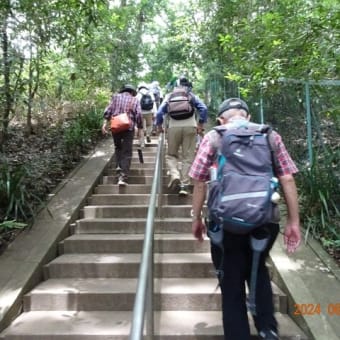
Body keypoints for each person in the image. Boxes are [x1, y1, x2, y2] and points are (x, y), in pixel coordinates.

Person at [189, 98, 301, 340]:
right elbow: (288, 178)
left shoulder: (214, 137)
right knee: (258, 269)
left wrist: (196, 218)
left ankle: (237, 334)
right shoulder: (270, 136)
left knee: (230, 279)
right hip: (264, 219)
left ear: (221, 119)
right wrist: (294, 222)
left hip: (224, 222)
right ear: (248, 116)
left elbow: (199, 181)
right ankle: (267, 330)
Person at [156, 76, 208, 196]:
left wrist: (159, 126)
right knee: (187, 157)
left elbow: (159, 113)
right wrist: (200, 124)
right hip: (190, 126)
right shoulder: (191, 95)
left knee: (171, 155)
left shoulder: (170, 96)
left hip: (173, 127)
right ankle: (184, 186)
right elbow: (203, 109)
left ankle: (174, 175)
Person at [102, 84, 143, 186]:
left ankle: (119, 166)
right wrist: (140, 129)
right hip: (128, 128)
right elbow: (138, 115)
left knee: (118, 147)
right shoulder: (134, 100)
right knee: (127, 151)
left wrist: (104, 124)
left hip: (116, 127)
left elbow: (108, 111)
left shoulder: (115, 97)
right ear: (132, 92)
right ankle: (123, 177)